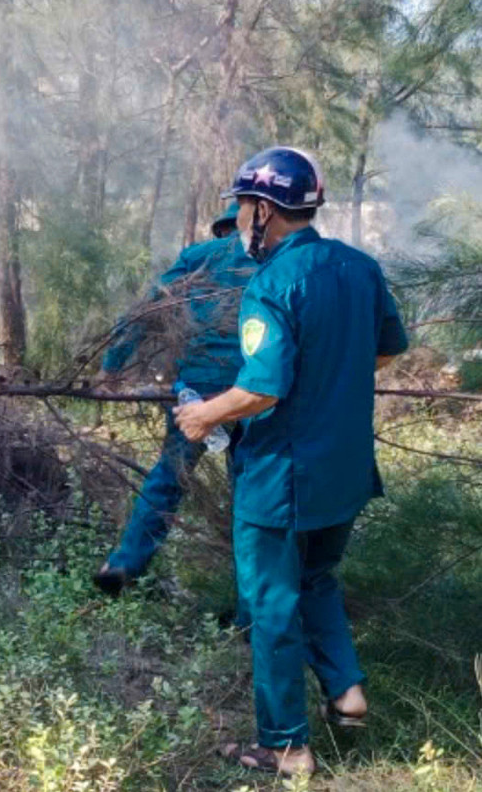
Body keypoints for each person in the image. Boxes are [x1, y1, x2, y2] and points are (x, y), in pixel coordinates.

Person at [174, 146, 408, 777]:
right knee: (316, 579)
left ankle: (284, 746)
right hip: (346, 468)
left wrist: (203, 416)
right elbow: (386, 349)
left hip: (284, 474)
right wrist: (330, 381)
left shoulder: (273, 284)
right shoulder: (361, 268)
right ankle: (347, 693)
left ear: (264, 210)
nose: (240, 212)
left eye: (244, 203)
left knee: (271, 603)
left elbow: (263, 390)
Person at [93, 202, 256, 596]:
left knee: (169, 475)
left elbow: (144, 312)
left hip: (195, 392)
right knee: (251, 495)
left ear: (224, 228)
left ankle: (124, 564)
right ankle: (251, 609)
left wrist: (111, 368)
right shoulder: (276, 263)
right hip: (254, 392)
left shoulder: (197, 258)